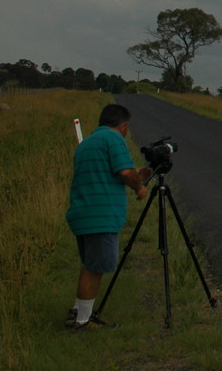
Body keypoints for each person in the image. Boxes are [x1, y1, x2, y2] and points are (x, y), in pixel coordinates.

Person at [65, 103, 151, 329]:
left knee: (90, 264)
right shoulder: (114, 139)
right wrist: (139, 188)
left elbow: (109, 173)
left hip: (83, 212)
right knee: (97, 267)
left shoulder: (87, 144)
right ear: (122, 125)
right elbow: (123, 172)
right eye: (127, 127)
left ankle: (77, 311)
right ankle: (83, 321)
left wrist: (137, 175)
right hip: (100, 215)